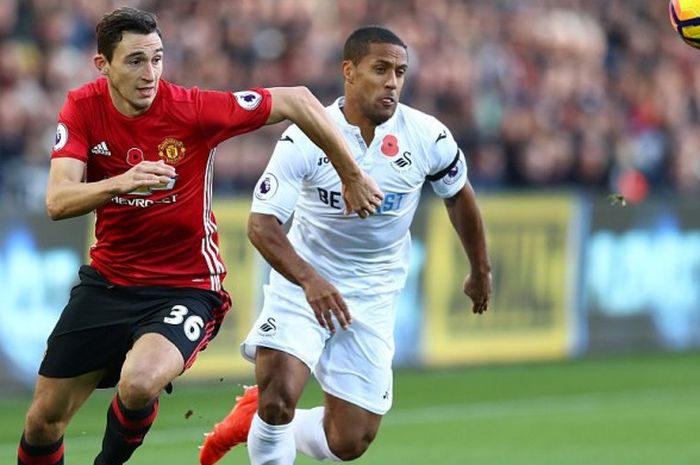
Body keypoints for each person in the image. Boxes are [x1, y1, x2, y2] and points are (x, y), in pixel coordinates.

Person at [17, 7, 384, 465]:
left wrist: (350, 173)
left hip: (185, 287)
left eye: (157, 58)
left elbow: (299, 99)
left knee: (139, 382)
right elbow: (58, 201)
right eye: (134, 61)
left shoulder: (192, 109)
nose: (150, 72)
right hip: (107, 282)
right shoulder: (83, 107)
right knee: (42, 422)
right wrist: (121, 182)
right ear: (103, 66)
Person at [200, 25, 492, 465]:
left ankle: (250, 417)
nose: (392, 80)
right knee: (278, 396)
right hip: (303, 282)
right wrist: (310, 280)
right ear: (349, 71)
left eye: (400, 71)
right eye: (381, 69)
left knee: (349, 442)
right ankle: (266, 413)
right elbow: (261, 225)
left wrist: (480, 268)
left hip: (373, 293)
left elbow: (458, 195)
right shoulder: (306, 135)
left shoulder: (428, 136)